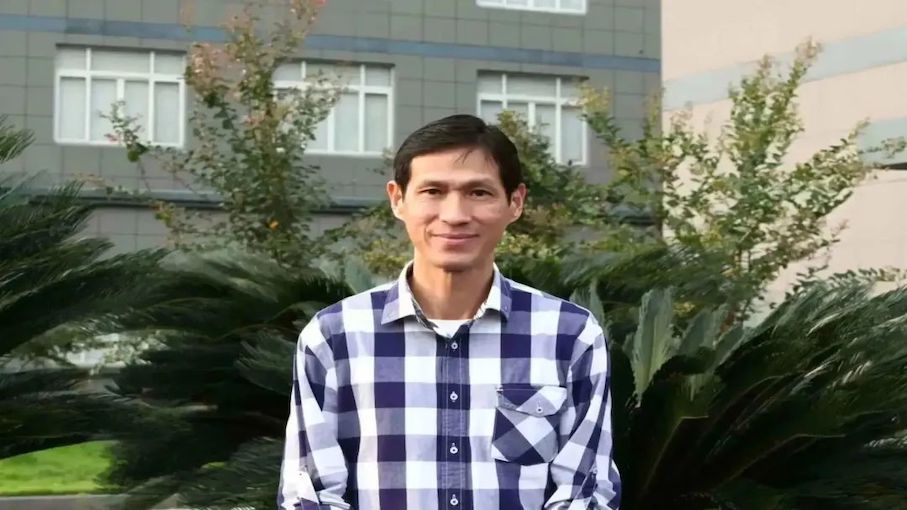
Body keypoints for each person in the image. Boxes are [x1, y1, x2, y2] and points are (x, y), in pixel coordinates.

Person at [278, 114, 621, 509]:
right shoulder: (335, 337)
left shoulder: (569, 335)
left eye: (478, 192)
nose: (455, 214)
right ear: (397, 199)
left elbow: (584, 493)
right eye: (433, 191)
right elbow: (311, 494)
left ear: (515, 202)